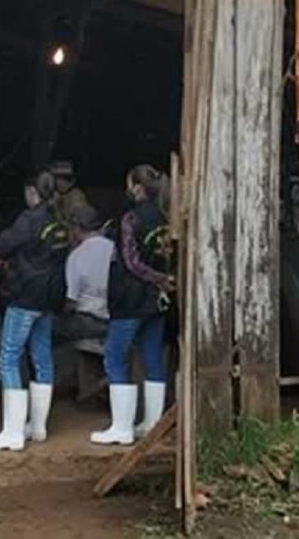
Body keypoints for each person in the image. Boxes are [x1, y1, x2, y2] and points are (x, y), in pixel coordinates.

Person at [0, 171, 68, 451]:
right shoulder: (59, 221)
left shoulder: (29, 220)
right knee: (42, 355)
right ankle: (38, 427)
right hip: (50, 297)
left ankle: (12, 432)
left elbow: (3, 246)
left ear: (32, 191)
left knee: (9, 357)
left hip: (26, 295)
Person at [91, 165, 175, 446]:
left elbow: (131, 262)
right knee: (152, 357)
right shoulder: (165, 217)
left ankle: (121, 428)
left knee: (115, 356)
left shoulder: (130, 219)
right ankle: (152, 425)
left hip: (130, 298)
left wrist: (157, 278)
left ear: (137, 188)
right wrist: (164, 280)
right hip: (155, 302)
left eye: (129, 184)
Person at [54, 204, 114, 343]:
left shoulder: (76, 256)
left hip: (88, 322)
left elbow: (71, 302)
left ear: (77, 228)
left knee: (44, 326)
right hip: (115, 319)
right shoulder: (114, 248)